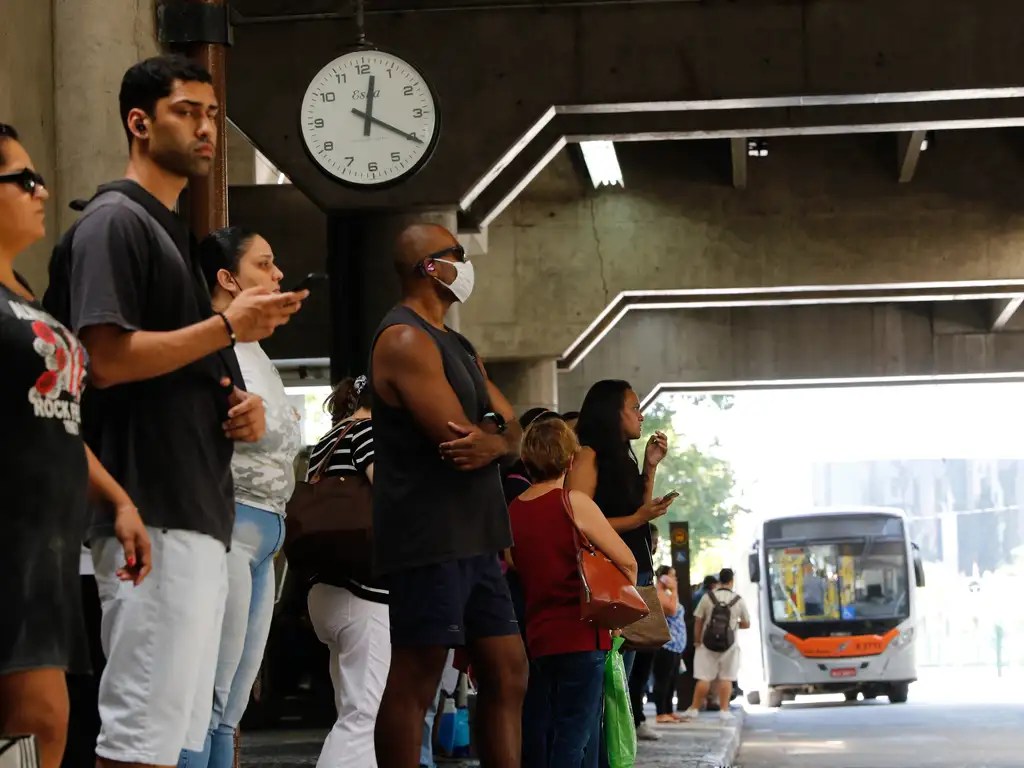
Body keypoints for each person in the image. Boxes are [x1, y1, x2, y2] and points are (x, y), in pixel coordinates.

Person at [43, 55, 305, 768]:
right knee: (140, 741)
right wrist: (225, 328)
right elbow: (105, 357)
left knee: (177, 739)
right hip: (151, 507)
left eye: (212, 114)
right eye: (186, 112)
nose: (205, 128)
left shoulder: (166, 232)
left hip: (194, 509)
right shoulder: (115, 222)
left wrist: (233, 405)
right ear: (139, 122)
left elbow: (167, 366)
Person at [0, 123, 151, 768]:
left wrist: (118, 499)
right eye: (24, 180)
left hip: (45, 545)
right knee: (40, 720)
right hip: (9, 540)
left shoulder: (23, 294)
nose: (42, 190)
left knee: (44, 727)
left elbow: (53, 421)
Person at [370, 223, 528, 768]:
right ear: (430, 267)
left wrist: (498, 437)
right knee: (418, 673)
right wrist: (495, 434)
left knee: (508, 671)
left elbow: (511, 427)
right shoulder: (404, 338)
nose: (467, 264)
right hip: (430, 535)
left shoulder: (457, 344)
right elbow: (458, 437)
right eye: (458, 254)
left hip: (477, 535)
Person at [177, 227, 304, 768]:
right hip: (227, 525)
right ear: (228, 279)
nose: (278, 275)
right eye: (265, 264)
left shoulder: (256, 352)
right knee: (206, 695)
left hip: (265, 533)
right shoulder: (208, 343)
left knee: (231, 703)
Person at [509, 418, 637, 768]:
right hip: (582, 634)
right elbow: (627, 562)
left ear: (526, 460)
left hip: (539, 637)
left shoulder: (514, 510)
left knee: (546, 727)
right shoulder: (573, 502)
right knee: (575, 737)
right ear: (569, 460)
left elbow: (514, 562)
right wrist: (616, 617)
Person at [565, 379, 672, 742]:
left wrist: (650, 468)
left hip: (635, 575)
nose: (641, 416)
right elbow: (578, 521)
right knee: (603, 685)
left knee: (619, 685)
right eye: (634, 407)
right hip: (609, 580)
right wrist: (638, 519)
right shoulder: (588, 457)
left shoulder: (623, 458)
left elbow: (636, 512)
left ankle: (613, 755)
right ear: (613, 413)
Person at [306, 376, 390, 768]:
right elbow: (391, 498)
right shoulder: (368, 433)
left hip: (327, 588)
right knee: (364, 718)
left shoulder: (327, 442)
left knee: (352, 710)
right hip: (364, 591)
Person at [682, 568, 750, 723]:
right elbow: (746, 623)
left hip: (707, 643)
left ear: (719, 580)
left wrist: (697, 640)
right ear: (731, 581)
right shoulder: (738, 600)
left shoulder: (708, 597)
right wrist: (733, 625)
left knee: (704, 678)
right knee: (727, 678)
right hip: (730, 645)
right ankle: (724, 710)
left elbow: (698, 620)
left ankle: (694, 709)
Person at [652, 567, 686, 724]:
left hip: (676, 645)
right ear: (664, 578)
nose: (675, 580)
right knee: (663, 679)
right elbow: (671, 610)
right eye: (672, 576)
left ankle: (669, 710)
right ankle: (661, 712)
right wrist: (674, 590)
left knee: (672, 679)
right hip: (665, 644)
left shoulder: (669, 594)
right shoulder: (659, 593)